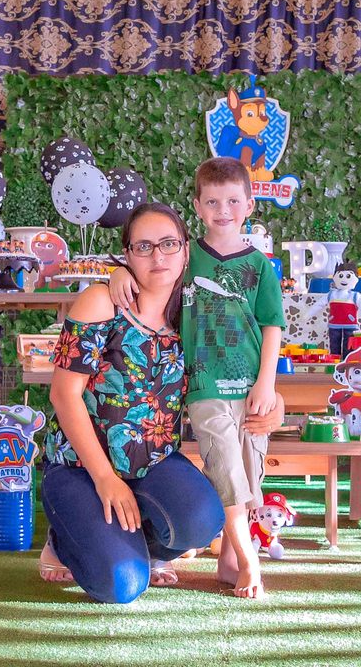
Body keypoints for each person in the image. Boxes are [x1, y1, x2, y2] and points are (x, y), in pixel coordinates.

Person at [38, 202, 282, 604]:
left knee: (203, 519)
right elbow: (63, 395)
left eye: (169, 244)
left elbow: (238, 368)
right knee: (122, 586)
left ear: (186, 251)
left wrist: (275, 398)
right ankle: (63, 541)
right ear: (128, 253)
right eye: (143, 246)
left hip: (152, 463)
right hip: (81, 467)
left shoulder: (193, 317)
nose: (158, 256)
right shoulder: (102, 302)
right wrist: (105, 478)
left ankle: (140, 547)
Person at [111, 158, 285, 599]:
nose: (223, 210)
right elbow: (147, 269)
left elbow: (272, 326)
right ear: (197, 206)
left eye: (233, 201)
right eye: (212, 202)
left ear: (250, 205)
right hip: (204, 385)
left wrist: (267, 385)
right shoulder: (185, 259)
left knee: (249, 472)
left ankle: (228, 561)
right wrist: (117, 272)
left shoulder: (261, 266)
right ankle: (249, 560)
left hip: (250, 389)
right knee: (225, 468)